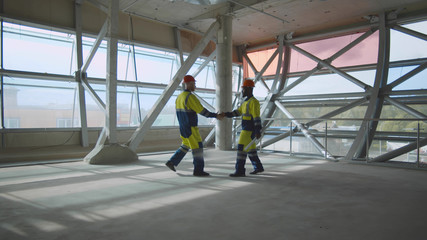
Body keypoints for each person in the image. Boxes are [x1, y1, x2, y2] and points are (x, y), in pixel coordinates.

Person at [165, 75, 223, 176]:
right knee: (198, 149)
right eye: (194, 84)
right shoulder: (190, 97)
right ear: (189, 84)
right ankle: (198, 171)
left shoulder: (179, 97)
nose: (195, 86)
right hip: (191, 128)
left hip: (183, 127)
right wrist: (216, 115)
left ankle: (172, 162)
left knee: (186, 145)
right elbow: (202, 111)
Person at [222, 79, 264, 177]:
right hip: (247, 129)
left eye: (244, 89)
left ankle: (240, 170)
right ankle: (258, 167)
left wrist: (258, 130)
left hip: (248, 130)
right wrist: (226, 114)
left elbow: (256, 117)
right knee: (251, 150)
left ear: (249, 89)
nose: (242, 91)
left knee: (241, 149)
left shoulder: (254, 102)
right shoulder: (245, 102)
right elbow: (238, 112)